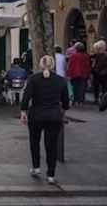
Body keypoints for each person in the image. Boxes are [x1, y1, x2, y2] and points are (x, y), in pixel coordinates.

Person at [20, 55, 70, 185]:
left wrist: (23, 111)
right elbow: (66, 101)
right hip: (53, 116)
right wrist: (63, 109)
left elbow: (26, 97)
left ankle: (36, 168)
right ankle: (51, 175)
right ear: (53, 65)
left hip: (36, 115)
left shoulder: (33, 79)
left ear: (41, 65)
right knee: (51, 146)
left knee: (34, 142)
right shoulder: (61, 80)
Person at [67, 42, 91, 107]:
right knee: (82, 88)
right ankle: (81, 101)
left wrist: (69, 74)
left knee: (75, 88)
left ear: (76, 49)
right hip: (84, 74)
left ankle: (75, 101)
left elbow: (70, 65)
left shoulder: (73, 56)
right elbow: (88, 65)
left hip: (75, 74)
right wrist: (88, 75)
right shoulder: (86, 56)